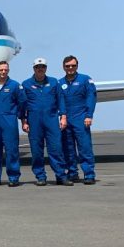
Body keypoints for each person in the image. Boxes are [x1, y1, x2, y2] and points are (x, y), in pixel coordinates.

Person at [21, 58, 72, 186]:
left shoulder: (54, 82)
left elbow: (61, 100)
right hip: (34, 122)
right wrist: (24, 121)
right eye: (38, 66)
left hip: (51, 120)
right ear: (34, 69)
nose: (40, 69)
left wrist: (63, 116)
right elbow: (22, 105)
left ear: (46, 68)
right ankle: (40, 176)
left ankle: (61, 176)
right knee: (36, 151)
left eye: (43, 66)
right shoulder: (26, 84)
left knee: (56, 149)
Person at [0, 61, 26, 187]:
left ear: (8, 70)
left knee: (11, 150)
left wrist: (21, 118)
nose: (3, 72)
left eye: (5, 70)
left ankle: (13, 177)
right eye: (1, 70)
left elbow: (22, 103)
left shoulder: (14, 86)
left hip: (10, 120)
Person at [58, 55, 97, 184]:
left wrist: (89, 115)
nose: (70, 68)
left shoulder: (85, 80)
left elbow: (91, 98)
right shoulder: (60, 83)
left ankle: (89, 174)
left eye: (73, 66)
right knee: (68, 148)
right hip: (66, 119)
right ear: (63, 67)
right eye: (68, 66)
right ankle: (72, 172)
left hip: (81, 118)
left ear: (77, 66)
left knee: (84, 148)